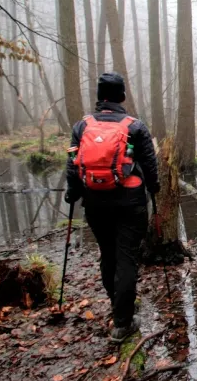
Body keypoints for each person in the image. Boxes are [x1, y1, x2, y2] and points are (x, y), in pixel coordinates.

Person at [65, 73, 159, 342]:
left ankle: (118, 304)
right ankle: (122, 322)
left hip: (95, 202)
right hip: (130, 203)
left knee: (108, 255)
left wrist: (73, 193)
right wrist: (154, 189)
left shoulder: (82, 126)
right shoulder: (135, 126)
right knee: (127, 257)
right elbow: (150, 165)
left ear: (99, 97)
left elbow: (72, 164)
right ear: (122, 96)